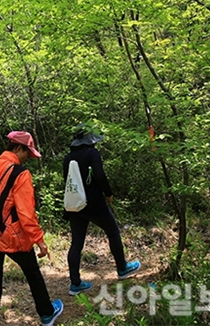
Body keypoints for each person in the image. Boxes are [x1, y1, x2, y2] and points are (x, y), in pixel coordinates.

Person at [0, 131, 63, 326]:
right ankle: (47, 313)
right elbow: (26, 212)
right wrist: (39, 240)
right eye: (27, 153)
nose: (28, 158)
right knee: (32, 273)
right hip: (13, 237)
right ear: (17, 148)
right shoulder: (20, 173)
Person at [62, 124, 140, 296]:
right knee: (112, 231)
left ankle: (75, 283)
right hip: (94, 203)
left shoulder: (68, 158)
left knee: (76, 242)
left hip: (75, 205)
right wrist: (108, 193)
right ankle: (122, 268)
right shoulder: (92, 153)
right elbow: (99, 174)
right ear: (90, 140)